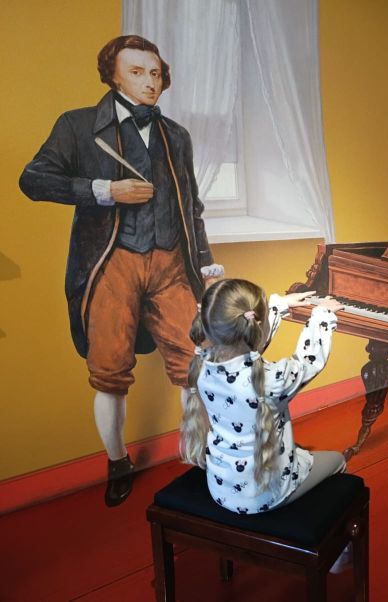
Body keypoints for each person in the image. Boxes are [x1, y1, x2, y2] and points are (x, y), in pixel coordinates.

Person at [19, 35, 221, 506]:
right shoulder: (77, 125)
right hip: (111, 264)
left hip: (171, 264)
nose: (150, 82)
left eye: (155, 73)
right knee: (109, 372)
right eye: (137, 72)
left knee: (196, 364)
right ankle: (117, 461)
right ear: (112, 75)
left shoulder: (176, 135)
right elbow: (34, 179)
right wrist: (106, 190)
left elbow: (191, 206)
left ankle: (201, 456)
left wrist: (206, 265)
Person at [181, 279, 347, 514]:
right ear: (254, 325)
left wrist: (280, 305)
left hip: (220, 489)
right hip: (268, 496)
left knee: (301, 452)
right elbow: (308, 362)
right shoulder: (273, 380)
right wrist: (323, 315)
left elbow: (246, 346)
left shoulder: (200, 365)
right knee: (338, 460)